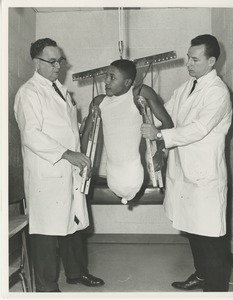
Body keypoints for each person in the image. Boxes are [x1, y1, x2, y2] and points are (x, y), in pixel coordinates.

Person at [141, 34, 232, 292]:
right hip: (184, 171)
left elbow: (199, 128)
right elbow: (166, 114)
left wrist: (159, 135)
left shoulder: (217, 92)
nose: (188, 64)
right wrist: (147, 110)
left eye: (195, 59)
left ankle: (215, 291)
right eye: (188, 58)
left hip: (205, 176)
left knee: (210, 237)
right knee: (193, 230)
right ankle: (201, 275)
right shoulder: (185, 88)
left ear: (211, 61)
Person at [14, 38, 104, 292]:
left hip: (68, 167)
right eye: (51, 61)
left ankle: (76, 272)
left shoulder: (60, 90)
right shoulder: (28, 93)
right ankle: (46, 287)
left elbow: (65, 129)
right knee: (45, 230)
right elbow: (31, 134)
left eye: (60, 61)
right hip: (48, 170)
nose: (58, 66)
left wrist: (85, 123)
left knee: (72, 222)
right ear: (36, 62)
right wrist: (66, 154)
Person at [81, 59, 173, 204]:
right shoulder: (99, 102)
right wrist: (84, 163)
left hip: (132, 173)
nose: (106, 81)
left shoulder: (139, 93)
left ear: (127, 82)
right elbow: (86, 134)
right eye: (106, 76)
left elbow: (168, 124)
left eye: (112, 77)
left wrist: (159, 154)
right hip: (112, 175)